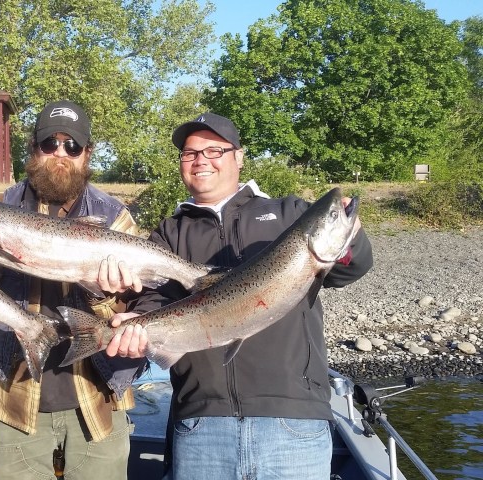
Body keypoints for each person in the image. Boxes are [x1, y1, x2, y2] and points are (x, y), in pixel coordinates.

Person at [107, 112, 374, 479]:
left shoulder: (288, 213)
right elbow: (154, 300)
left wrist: (350, 237)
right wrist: (134, 325)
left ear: (239, 157)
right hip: (201, 423)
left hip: (293, 421)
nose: (201, 160)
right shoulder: (168, 234)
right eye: (190, 153)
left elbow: (350, 267)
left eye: (214, 150)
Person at [0, 100, 146, 480]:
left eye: (72, 146)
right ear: (33, 148)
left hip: (97, 400)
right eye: (50, 143)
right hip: (12, 402)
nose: (60, 154)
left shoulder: (116, 219)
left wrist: (106, 296)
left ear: (88, 153)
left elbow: (138, 313)